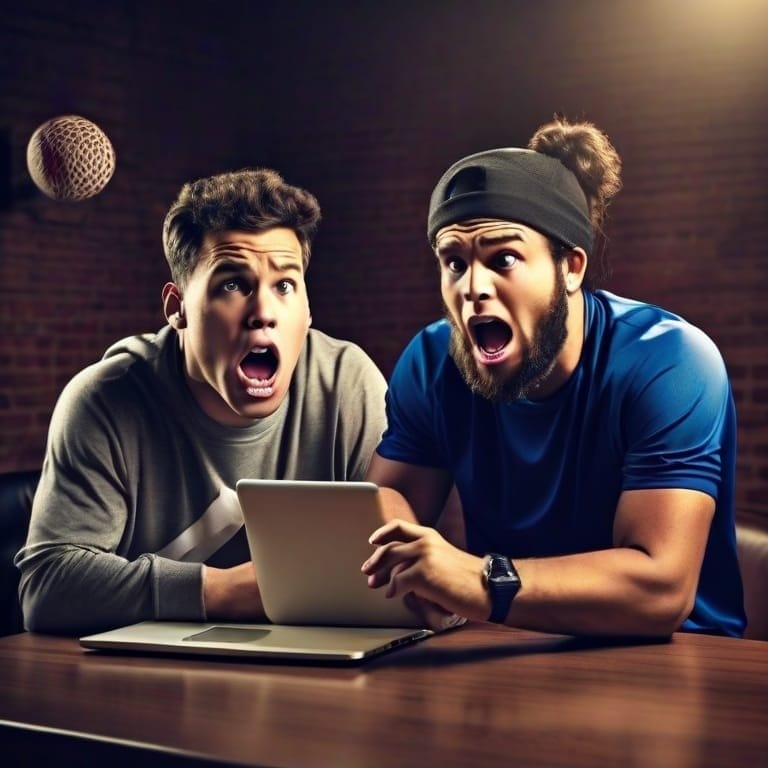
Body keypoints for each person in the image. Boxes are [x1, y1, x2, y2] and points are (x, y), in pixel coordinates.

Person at [362, 116, 746, 638]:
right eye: (454, 263)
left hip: (672, 655)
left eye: (503, 258)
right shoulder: (432, 362)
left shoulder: (669, 361)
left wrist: (477, 580)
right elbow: (384, 509)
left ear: (571, 267)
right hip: (509, 644)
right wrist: (409, 570)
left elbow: (659, 589)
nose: (472, 287)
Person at [16, 167, 388, 635]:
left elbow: (398, 564)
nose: (264, 313)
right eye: (232, 284)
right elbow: (48, 588)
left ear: (308, 309)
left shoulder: (347, 385)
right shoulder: (105, 400)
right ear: (177, 307)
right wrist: (230, 591)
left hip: (317, 666)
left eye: (284, 285)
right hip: (148, 673)